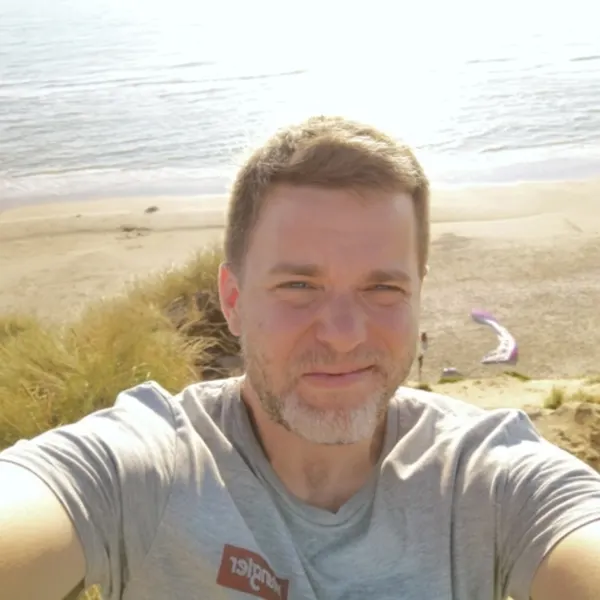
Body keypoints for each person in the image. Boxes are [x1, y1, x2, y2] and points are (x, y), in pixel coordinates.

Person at [1, 116, 599, 600]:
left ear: (419, 295)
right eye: (298, 286)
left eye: (382, 288)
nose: (342, 336)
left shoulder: (486, 479)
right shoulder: (145, 468)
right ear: (233, 300)